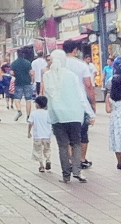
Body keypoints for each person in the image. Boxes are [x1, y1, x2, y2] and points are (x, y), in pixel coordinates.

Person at [43, 50, 93, 182]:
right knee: (76, 143)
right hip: (74, 113)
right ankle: (77, 171)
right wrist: (90, 112)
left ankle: (65, 175)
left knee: (63, 146)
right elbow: (81, 95)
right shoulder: (71, 75)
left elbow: (47, 95)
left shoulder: (47, 76)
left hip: (56, 115)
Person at [63, 39, 96, 169]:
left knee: (67, 133)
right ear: (75, 50)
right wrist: (93, 103)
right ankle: (81, 159)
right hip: (80, 103)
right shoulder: (82, 65)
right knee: (83, 132)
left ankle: (71, 160)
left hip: (63, 102)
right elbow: (88, 85)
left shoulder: (59, 65)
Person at [28, 95, 52, 172]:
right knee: (47, 149)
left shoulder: (34, 113)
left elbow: (30, 123)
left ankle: (41, 166)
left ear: (37, 105)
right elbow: (51, 122)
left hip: (37, 136)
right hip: (47, 135)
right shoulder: (48, 113)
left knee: (38, 150)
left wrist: (29, 132)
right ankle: (48, 160)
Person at [11, 46, 35, 121]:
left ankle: (19, 111)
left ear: (17, 54)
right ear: (23, 54)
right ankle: (28, 116)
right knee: (28, 100)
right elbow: (31, 73)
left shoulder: (14, 63)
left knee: (17, 99)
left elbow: (12, 73)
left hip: (18, 83)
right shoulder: (28, 63)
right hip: (27, 82)